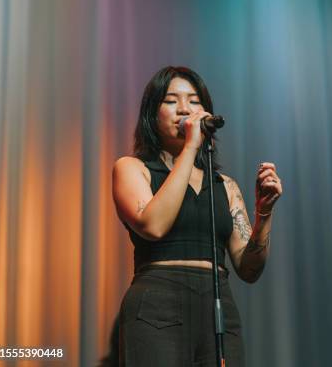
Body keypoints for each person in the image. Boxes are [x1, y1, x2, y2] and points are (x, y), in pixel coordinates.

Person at [111, 66, 282, 366]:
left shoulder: (225, 186)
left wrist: (264, 212)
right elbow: (153, 225)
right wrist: (191, 145)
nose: (184, 109)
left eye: (193, 101)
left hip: (218, 307)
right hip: (158, 304)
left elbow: (249, 269)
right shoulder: (132, 168)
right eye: (171, 100)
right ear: (152, 114)